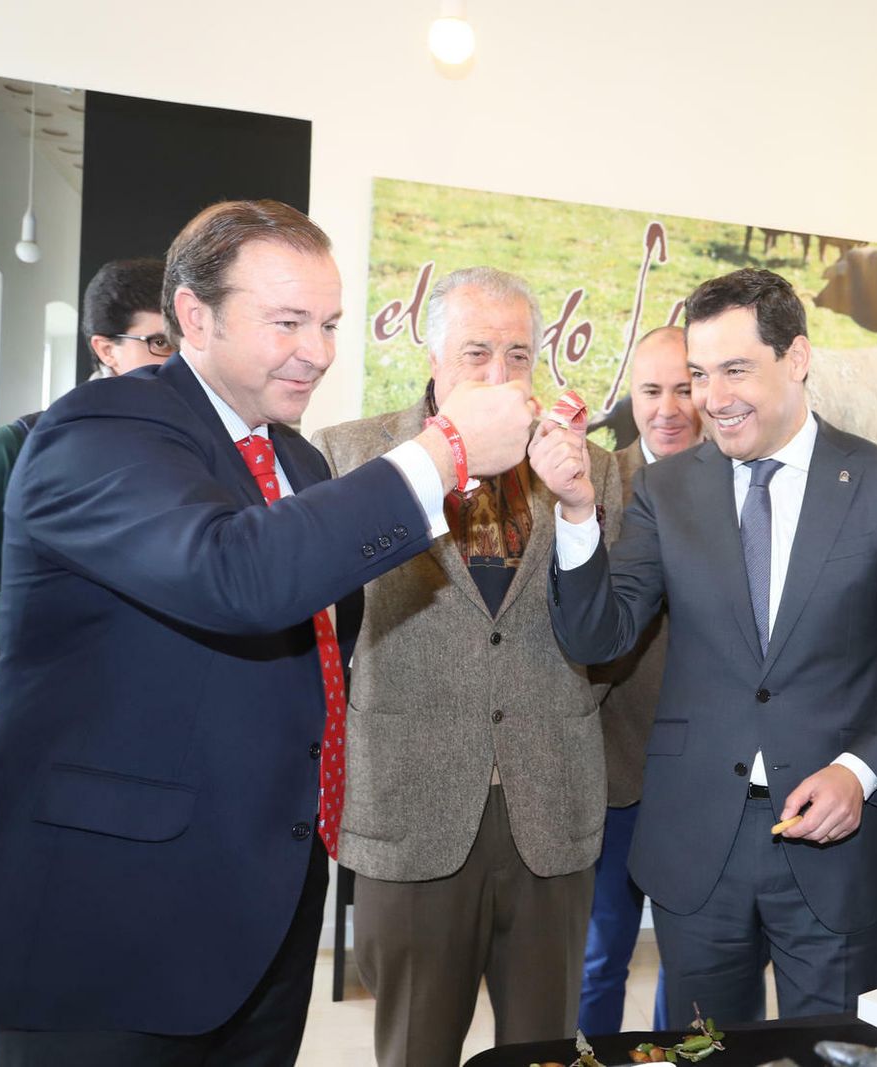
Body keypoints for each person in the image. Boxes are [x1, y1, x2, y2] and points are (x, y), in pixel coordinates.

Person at [0, 200, 535, 1067]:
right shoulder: (100, 430)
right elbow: (240, 577)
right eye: (287, 321)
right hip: (115, 916)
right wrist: (443, 451)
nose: (319, 351)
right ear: (193, 315)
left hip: (264, 896)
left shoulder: (292, 458)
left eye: (328, 323)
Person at [531, 267, 877, 1023]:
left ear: (796, 358)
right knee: (702, 1047)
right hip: (698, 840)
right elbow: (601, 632)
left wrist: (860, 773)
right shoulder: (667, 489)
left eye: (735, 369)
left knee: (827, 1047)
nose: (712, 397)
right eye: (699, 374)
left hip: (834, 837)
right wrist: (574, 514)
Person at [311, 266, 622, 1064]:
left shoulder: (597, 470)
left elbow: (611, 631)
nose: (498, 374)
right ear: (433, 348)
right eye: (477, 351)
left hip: (549, 810)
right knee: (416, 1046)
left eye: (518, 355)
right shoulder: (349, 455)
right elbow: (318, 638)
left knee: (545, 1048)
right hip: (410, 809)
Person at [0, 256, 170, 1067]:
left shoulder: (212, 461)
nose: (173, 363)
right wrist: (32, 607)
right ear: (104, 347)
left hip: (165, 748)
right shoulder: (14, 449)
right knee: (27, 944)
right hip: (47, 736)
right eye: (156, 343)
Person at [577, 325, 699, 1034]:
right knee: (600, 958)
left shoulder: (743, 484)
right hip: (613, 768)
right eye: (652, 390)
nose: (669, 407)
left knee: (691, 964)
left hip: (706, 779)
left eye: (685, 388)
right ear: (632, 397)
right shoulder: (589, 484)